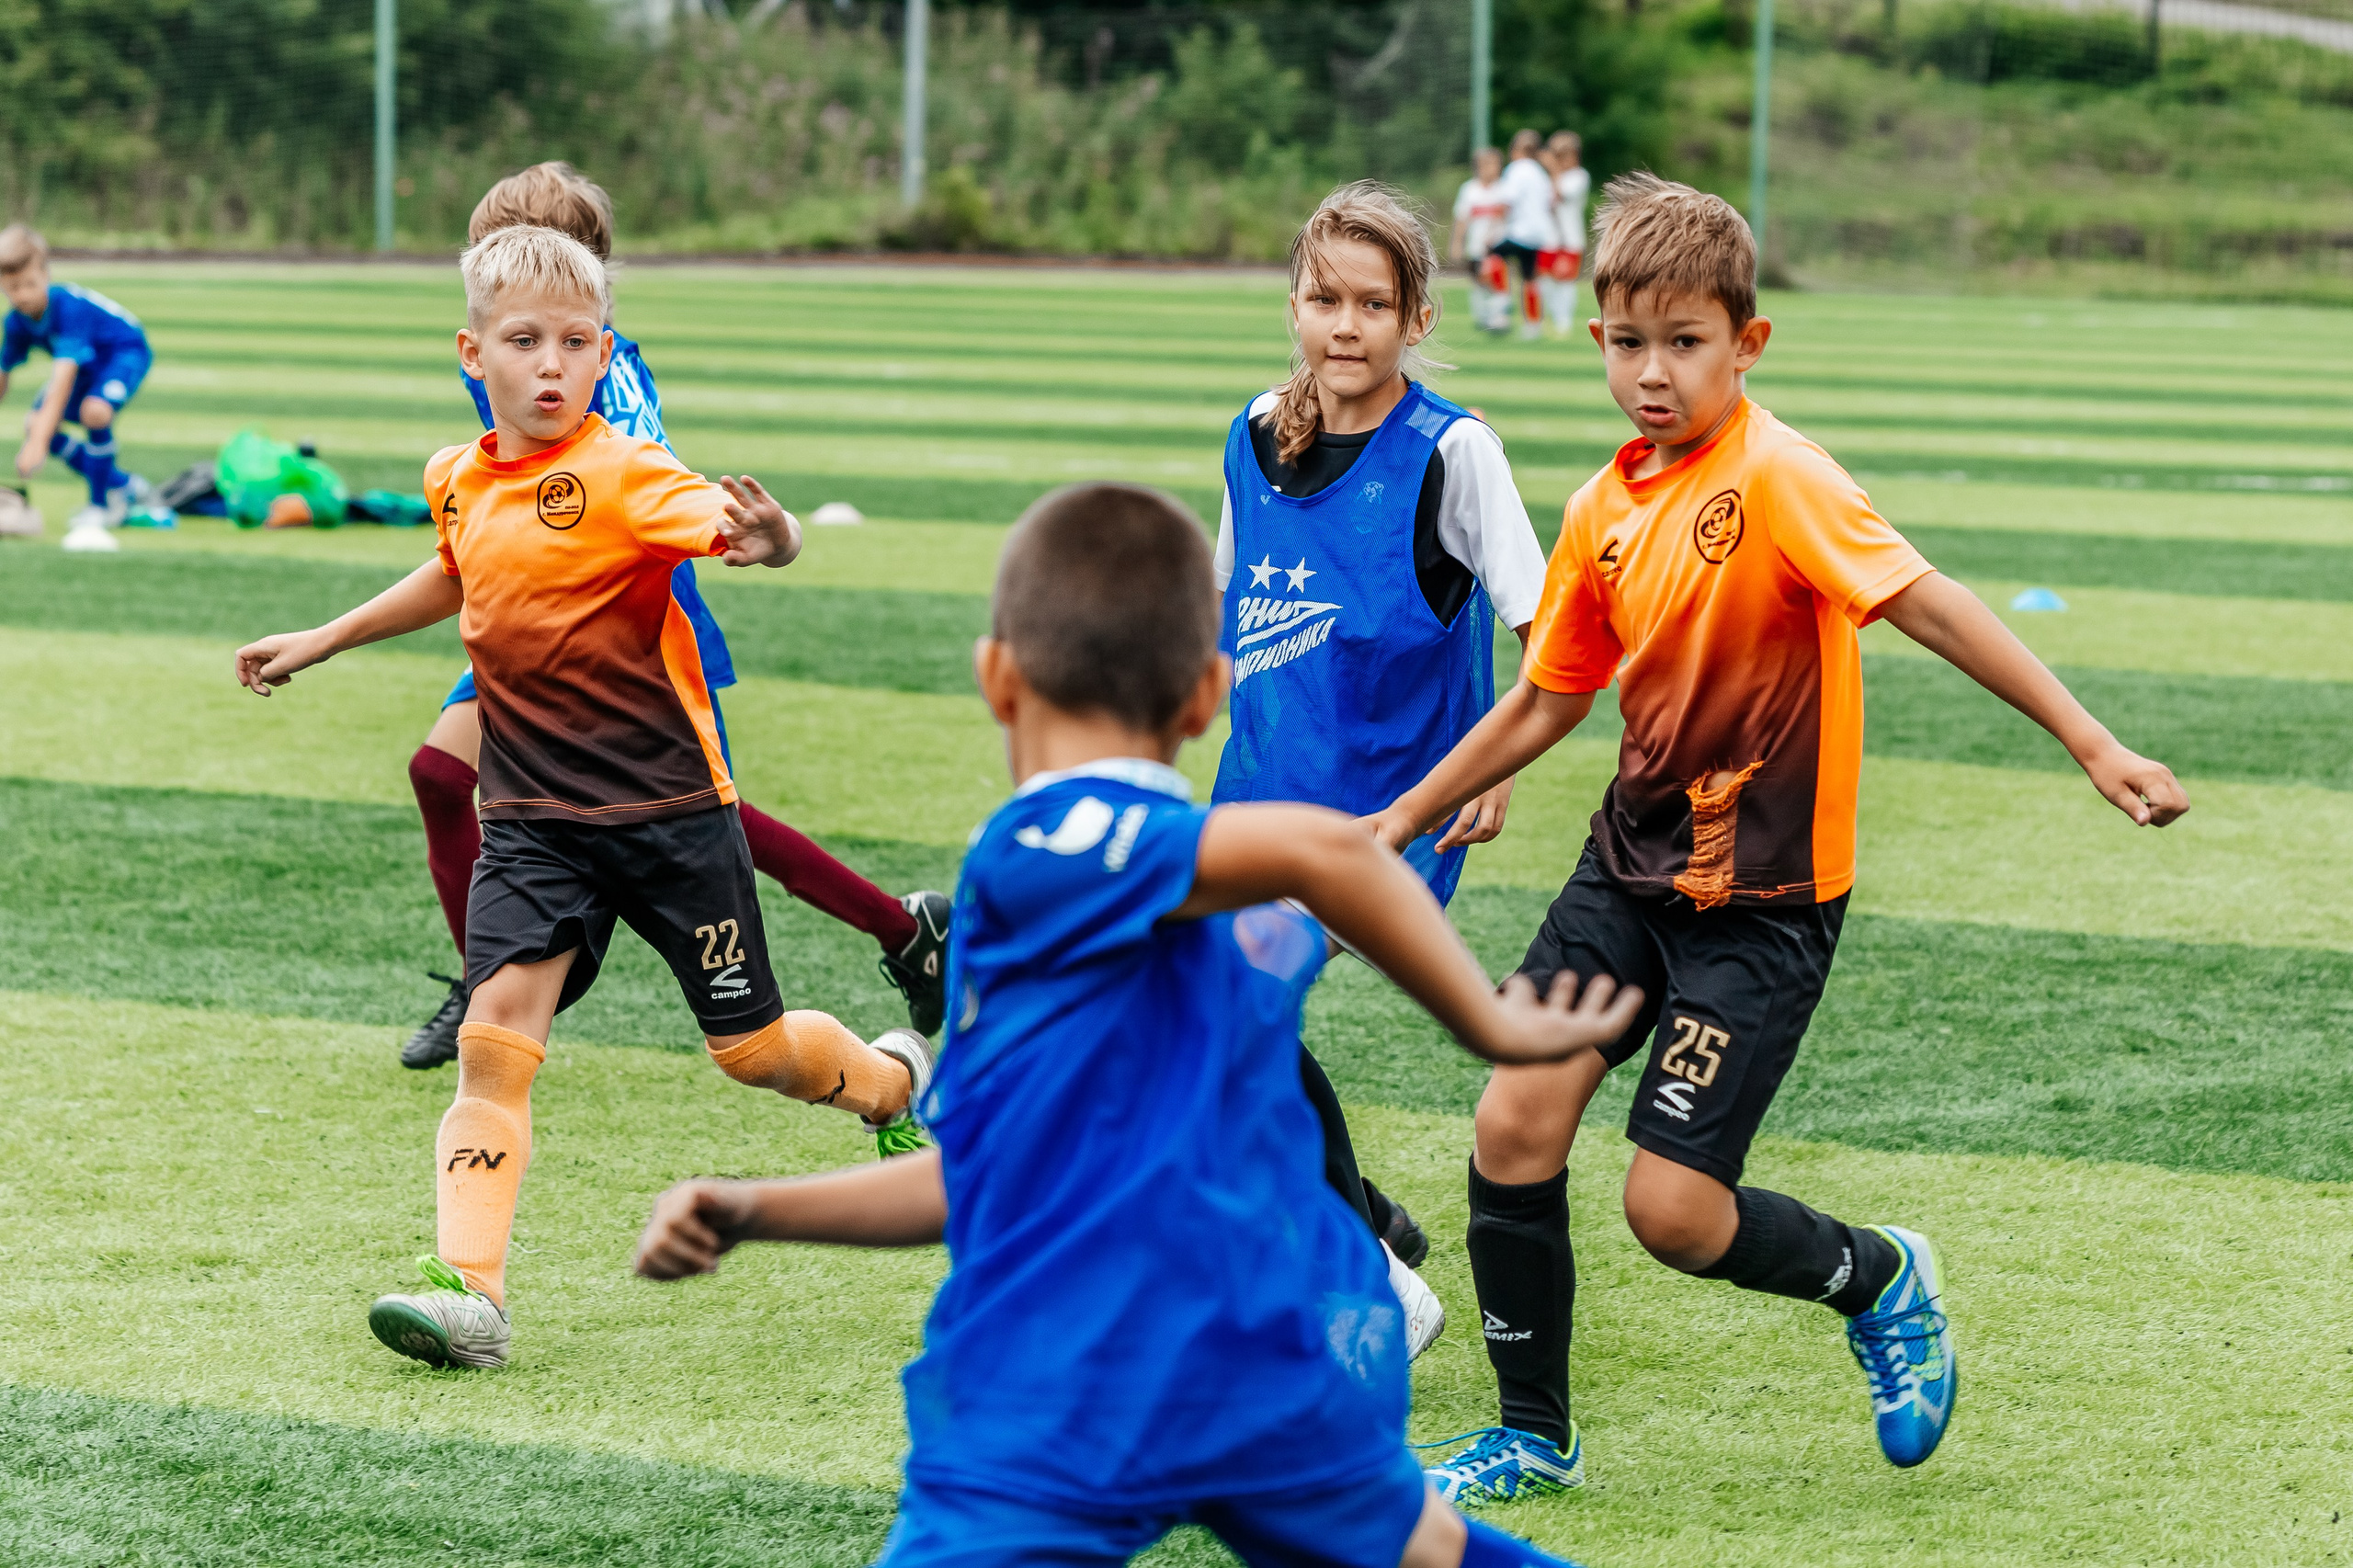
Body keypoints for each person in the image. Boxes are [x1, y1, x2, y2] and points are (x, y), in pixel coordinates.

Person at [633, 482, 1643, 1568]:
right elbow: (987, 1172)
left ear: (995, 676)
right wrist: (758, 1208)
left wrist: (1487, 1024)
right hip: (1267, 1370)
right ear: (1210, 692)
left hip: (1070, 1388)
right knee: (1422, 1548)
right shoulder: (1238, 932)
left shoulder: (1042, 845)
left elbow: (1326, 851)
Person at [1369, 174, 2190, 1501]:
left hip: (1760, 907)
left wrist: (2090, 740)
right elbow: (1550, 696)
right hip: (1623, 876)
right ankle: (1530, 1432)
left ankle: (1880, 1276)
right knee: (1513, 1121)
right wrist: (1405, 814)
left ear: (1745, 343)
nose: (1652, 373)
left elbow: (1927, 603)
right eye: (1627, 342)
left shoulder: (1780, 475)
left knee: (1671, 1213)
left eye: (1684, 342)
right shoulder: (1600, 511)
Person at [233, 224, 941, 1371]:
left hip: (671, 821)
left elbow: (732, 528)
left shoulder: (625, 474)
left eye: (575, 342)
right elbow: (458, 567)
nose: (552, 364)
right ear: (474, 354)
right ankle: (471, 1291)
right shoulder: (456, 477)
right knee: (494, 1041)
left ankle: (889, 1082)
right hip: (531, 825)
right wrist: (324, 636)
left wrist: (776, 536)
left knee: (754, 1053)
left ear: (603, 352)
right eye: (524, 341)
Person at [401, 163, 950, 1074]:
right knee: (437, 771)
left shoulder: (591, 368)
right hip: (531, 601)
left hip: (624, 611)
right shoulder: (526, 343)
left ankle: (905, 929)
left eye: (499, 245)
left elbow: (636, 481)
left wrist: (752, 531)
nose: (485, 264)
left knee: (706, 817)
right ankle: (486, 983)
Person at [1214, 180, 1550, 1356]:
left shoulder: (1452, 453)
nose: (1345, 325)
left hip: (1378, 820)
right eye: (1324, 299)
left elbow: (1548, 631)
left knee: (1229, 1012)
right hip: (1253, 797)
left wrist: (1498, 759)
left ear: (1416, 318)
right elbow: (1229, 603)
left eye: (1372, 303)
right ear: (1294, 306)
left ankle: (1373, 1281)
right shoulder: (1253, 431)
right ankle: (1368, 1222)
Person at [0, 224, 156, 551]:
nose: (23, 295)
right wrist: (37, 434)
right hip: (86, 366)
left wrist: (38, 444)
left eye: (30, 284)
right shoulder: (15, 322)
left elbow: (62, 379)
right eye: (13, 288)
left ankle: (100, 507)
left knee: (94, 412)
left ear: (46, 275)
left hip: (123, 352)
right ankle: (124, 485)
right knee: (35, 423)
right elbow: (2, 375)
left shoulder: (69, 308)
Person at [1491, 131, 1557, 343]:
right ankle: (1533, 324)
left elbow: (1507, 202)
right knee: (1530, 279)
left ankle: (1502, 302)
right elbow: (1551, 202)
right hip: (1539, 234)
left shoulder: (1516, 169)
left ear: (1515, 149)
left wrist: (1493, 230)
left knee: (1492, 255)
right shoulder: (1540, 173)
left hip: (1519, 231)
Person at [1449, 149, 1512, 335]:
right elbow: (1462, 218)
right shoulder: (1469, 189)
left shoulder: (1504, 189)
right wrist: (1457, 243)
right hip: (1476, 246)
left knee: (1498, 281)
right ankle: (1483, 317)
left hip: (1498, 246)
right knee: (1479, 282)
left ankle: (1498, 317)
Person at [1541, 133, 1589, 336]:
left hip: (1570, 239)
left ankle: (1564, 323)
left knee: (1565, 282)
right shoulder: (1548, 179)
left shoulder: (1579, 177)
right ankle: (1549, 319)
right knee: (1545, 282)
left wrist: (1553, 170)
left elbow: (1561, 194)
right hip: (1549, 239)